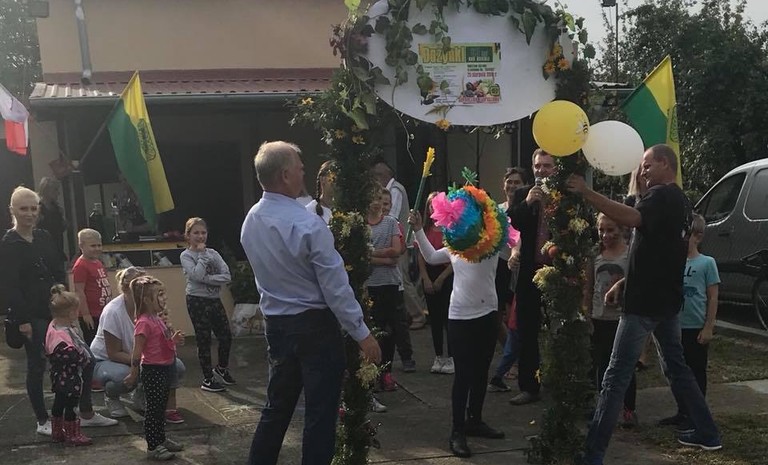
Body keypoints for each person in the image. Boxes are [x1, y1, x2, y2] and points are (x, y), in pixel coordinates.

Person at [566, 144, 721, 465]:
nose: (642, 171)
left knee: (614, 377)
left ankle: (592, 455)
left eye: (648, 165)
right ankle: (708, 433)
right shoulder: (680, 200)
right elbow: (656, 253)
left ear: (665, 163)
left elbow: (632, 217)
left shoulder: (661, 196)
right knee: (677, 368)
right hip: (666, 302)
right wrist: (623, 283)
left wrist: (586, 192)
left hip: (644, 306)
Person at [240, 141, 381, 465]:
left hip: (277, 324)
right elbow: (335, 286)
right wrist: (361, 332)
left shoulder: (251, 220)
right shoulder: (307, 223)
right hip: (314, 326)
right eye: (300, 168)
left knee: (276, 409)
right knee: (320, 414)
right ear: (285, 175)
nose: (304, 172)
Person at [408, 189, 519, 458]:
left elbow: (514, 242)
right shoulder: (456, 243)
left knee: (481, 371)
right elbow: (431, 257)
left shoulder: (493, 242)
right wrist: (418, 229)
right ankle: (457, 431)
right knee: (463, 375)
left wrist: (516, 251)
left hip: (488, 313)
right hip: (460, 316)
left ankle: (475, 420)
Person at [0, 186, 66, 435]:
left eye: (33, 208)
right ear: (12, 210)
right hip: (31, 315)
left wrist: (64, 300)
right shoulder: (8, 244)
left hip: (54, 311)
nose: (29, 213)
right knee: (37, 365)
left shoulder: (44, 237)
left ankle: (65, 414)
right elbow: (10, 286)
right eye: (23, 209)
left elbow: (58, 270)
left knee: (63, 361)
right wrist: (22, 320)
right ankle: (42, 419)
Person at [91, 267, 187, 422]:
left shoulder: (152, 308)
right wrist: (146, 363)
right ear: (126, 290)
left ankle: (141, 394)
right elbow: (113, 353)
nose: (145, 293)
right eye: (140, 289)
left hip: (139, 356)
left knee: (176, 366)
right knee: (125, 376)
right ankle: (112, 396)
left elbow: (162, 341)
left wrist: (171, 336)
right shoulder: (113, 312)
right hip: (108, 360)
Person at [658, 213, 720, 431]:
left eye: (686, 235)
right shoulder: (672, 262)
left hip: (695, 328)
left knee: (696, 371)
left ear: (698, 237)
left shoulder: (707, 263)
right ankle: (683, 410)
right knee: (674, 371)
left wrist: (709, 326)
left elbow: (712, 297)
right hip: (674, 326)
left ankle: (697, 413)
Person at [507, 149, 557, 405]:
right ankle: (529, 386)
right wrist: (528, 202)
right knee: (527, 329)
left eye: (547, 166)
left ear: (555, 169)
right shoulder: (523, 194)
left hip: (559, 270)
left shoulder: (564, 194)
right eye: (538, 166)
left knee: (561, 328)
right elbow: (514, 222)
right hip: (530, 271)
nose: (541, 170)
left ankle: (562, 381)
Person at [123, 275, 186, 461]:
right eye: (159, 294)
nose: (164, 298)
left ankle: (161, 439)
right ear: (146, 300)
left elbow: (163, 342)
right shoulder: (144, 322)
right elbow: (137, 352)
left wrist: (174, 340)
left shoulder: (156, 318)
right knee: (154, 410)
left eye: (163, 293)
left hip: (166, 367)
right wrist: (133, 373)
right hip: (153, 371)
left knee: (161, 408)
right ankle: (153, 446)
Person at [584, 213, 637, 428]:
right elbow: (588, 286)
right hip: (599, 317)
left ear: (622, 230)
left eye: (610, 230)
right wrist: (587, 313)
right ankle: (603, 407)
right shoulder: (595, 254)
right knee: (601, 363)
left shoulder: (629, 254)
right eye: (601, 230)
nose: (605, 235)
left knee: (624, 364)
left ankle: (628, 409)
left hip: (622, 318)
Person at [366, 184, 413, 394]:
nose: (377, 203)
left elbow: (396, 251)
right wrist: (382, 258)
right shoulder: (362, 224)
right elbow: (361, 255)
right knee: (373, 330)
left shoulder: (391, 223)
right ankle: (372, 373)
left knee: (390, 330)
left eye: (380, 199)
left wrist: (373, 254)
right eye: (373, 198)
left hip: (390, 284)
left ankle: (386, 371)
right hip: (371, 284)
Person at [180, 217, 235, 393]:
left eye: (203, 232)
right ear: (188, 235)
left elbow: (226, 276)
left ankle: (221, 369)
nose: (200, 236)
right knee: (204, 339)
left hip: (214, 299)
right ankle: (208, 379)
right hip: (196, 300)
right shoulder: (186, 255)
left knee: (226, 336)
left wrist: (206, 279)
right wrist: (202, 257)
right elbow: (196, 275)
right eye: (196, 233)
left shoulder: (214, 253)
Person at [372, 158, 428, 329]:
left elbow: (392, 217)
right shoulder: (390, 189)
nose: (375, 179)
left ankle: (418, 315)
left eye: (376, 175)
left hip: (399, 241)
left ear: (385, 175)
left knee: (402, 279)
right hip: (394, 240)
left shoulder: (395, 190)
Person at [45, 285, 94, 446]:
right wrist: (84, 359)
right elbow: (73, 356)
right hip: (70, 376)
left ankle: (57, 431)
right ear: (71, 313)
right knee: (71, 404)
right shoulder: (63, 337)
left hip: (57, 375)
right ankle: (73, 434)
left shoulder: (53, 328)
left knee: (59, 401)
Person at [416, 192, 454, 375]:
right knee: (435, 318)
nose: (433, 207)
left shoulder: (450, 229)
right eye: (430, 204)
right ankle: (438, 355)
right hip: (429, 273)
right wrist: (425, 278)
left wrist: (441, 278)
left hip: (447, 274)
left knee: (449, 317)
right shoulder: (424, 229)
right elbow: (422, 255)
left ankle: (451, 356)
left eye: (437, 204)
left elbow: (456, 257)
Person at [72, 228, 112, 345]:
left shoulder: (98, 262)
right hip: (92, 314)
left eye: (99, 245)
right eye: (93, 246)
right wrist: (86, 314)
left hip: (103, 312)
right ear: (81, 246)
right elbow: (79, 291)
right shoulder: (81, 265)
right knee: (95, 344)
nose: (97, 249)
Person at [37, 176, 68, 261]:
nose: (58, 193)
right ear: (46, 191)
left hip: (57, 248)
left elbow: (60, 227)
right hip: (43, 251)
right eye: (55, 190)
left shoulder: (57, 208)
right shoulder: (38, 208)